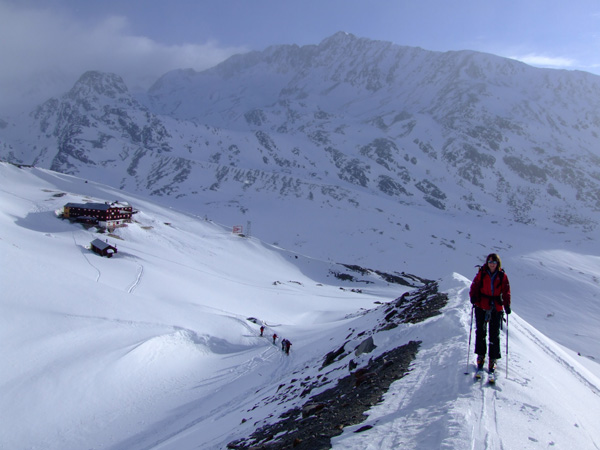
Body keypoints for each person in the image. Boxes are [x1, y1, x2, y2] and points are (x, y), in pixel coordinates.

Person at [469, 253, 511, 377]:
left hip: (495, 306)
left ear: (497, 264)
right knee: (481, 332)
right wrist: (473, 297)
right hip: (481, 304)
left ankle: (493, 359)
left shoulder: (502, 276)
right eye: (490, 262)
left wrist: (507, 305)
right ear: (487, 263)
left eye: (494, 263)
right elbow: (474, 286)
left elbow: (506, 291)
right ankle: (481, 356)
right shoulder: (482, 273)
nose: (492, 264)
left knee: (494, 334)